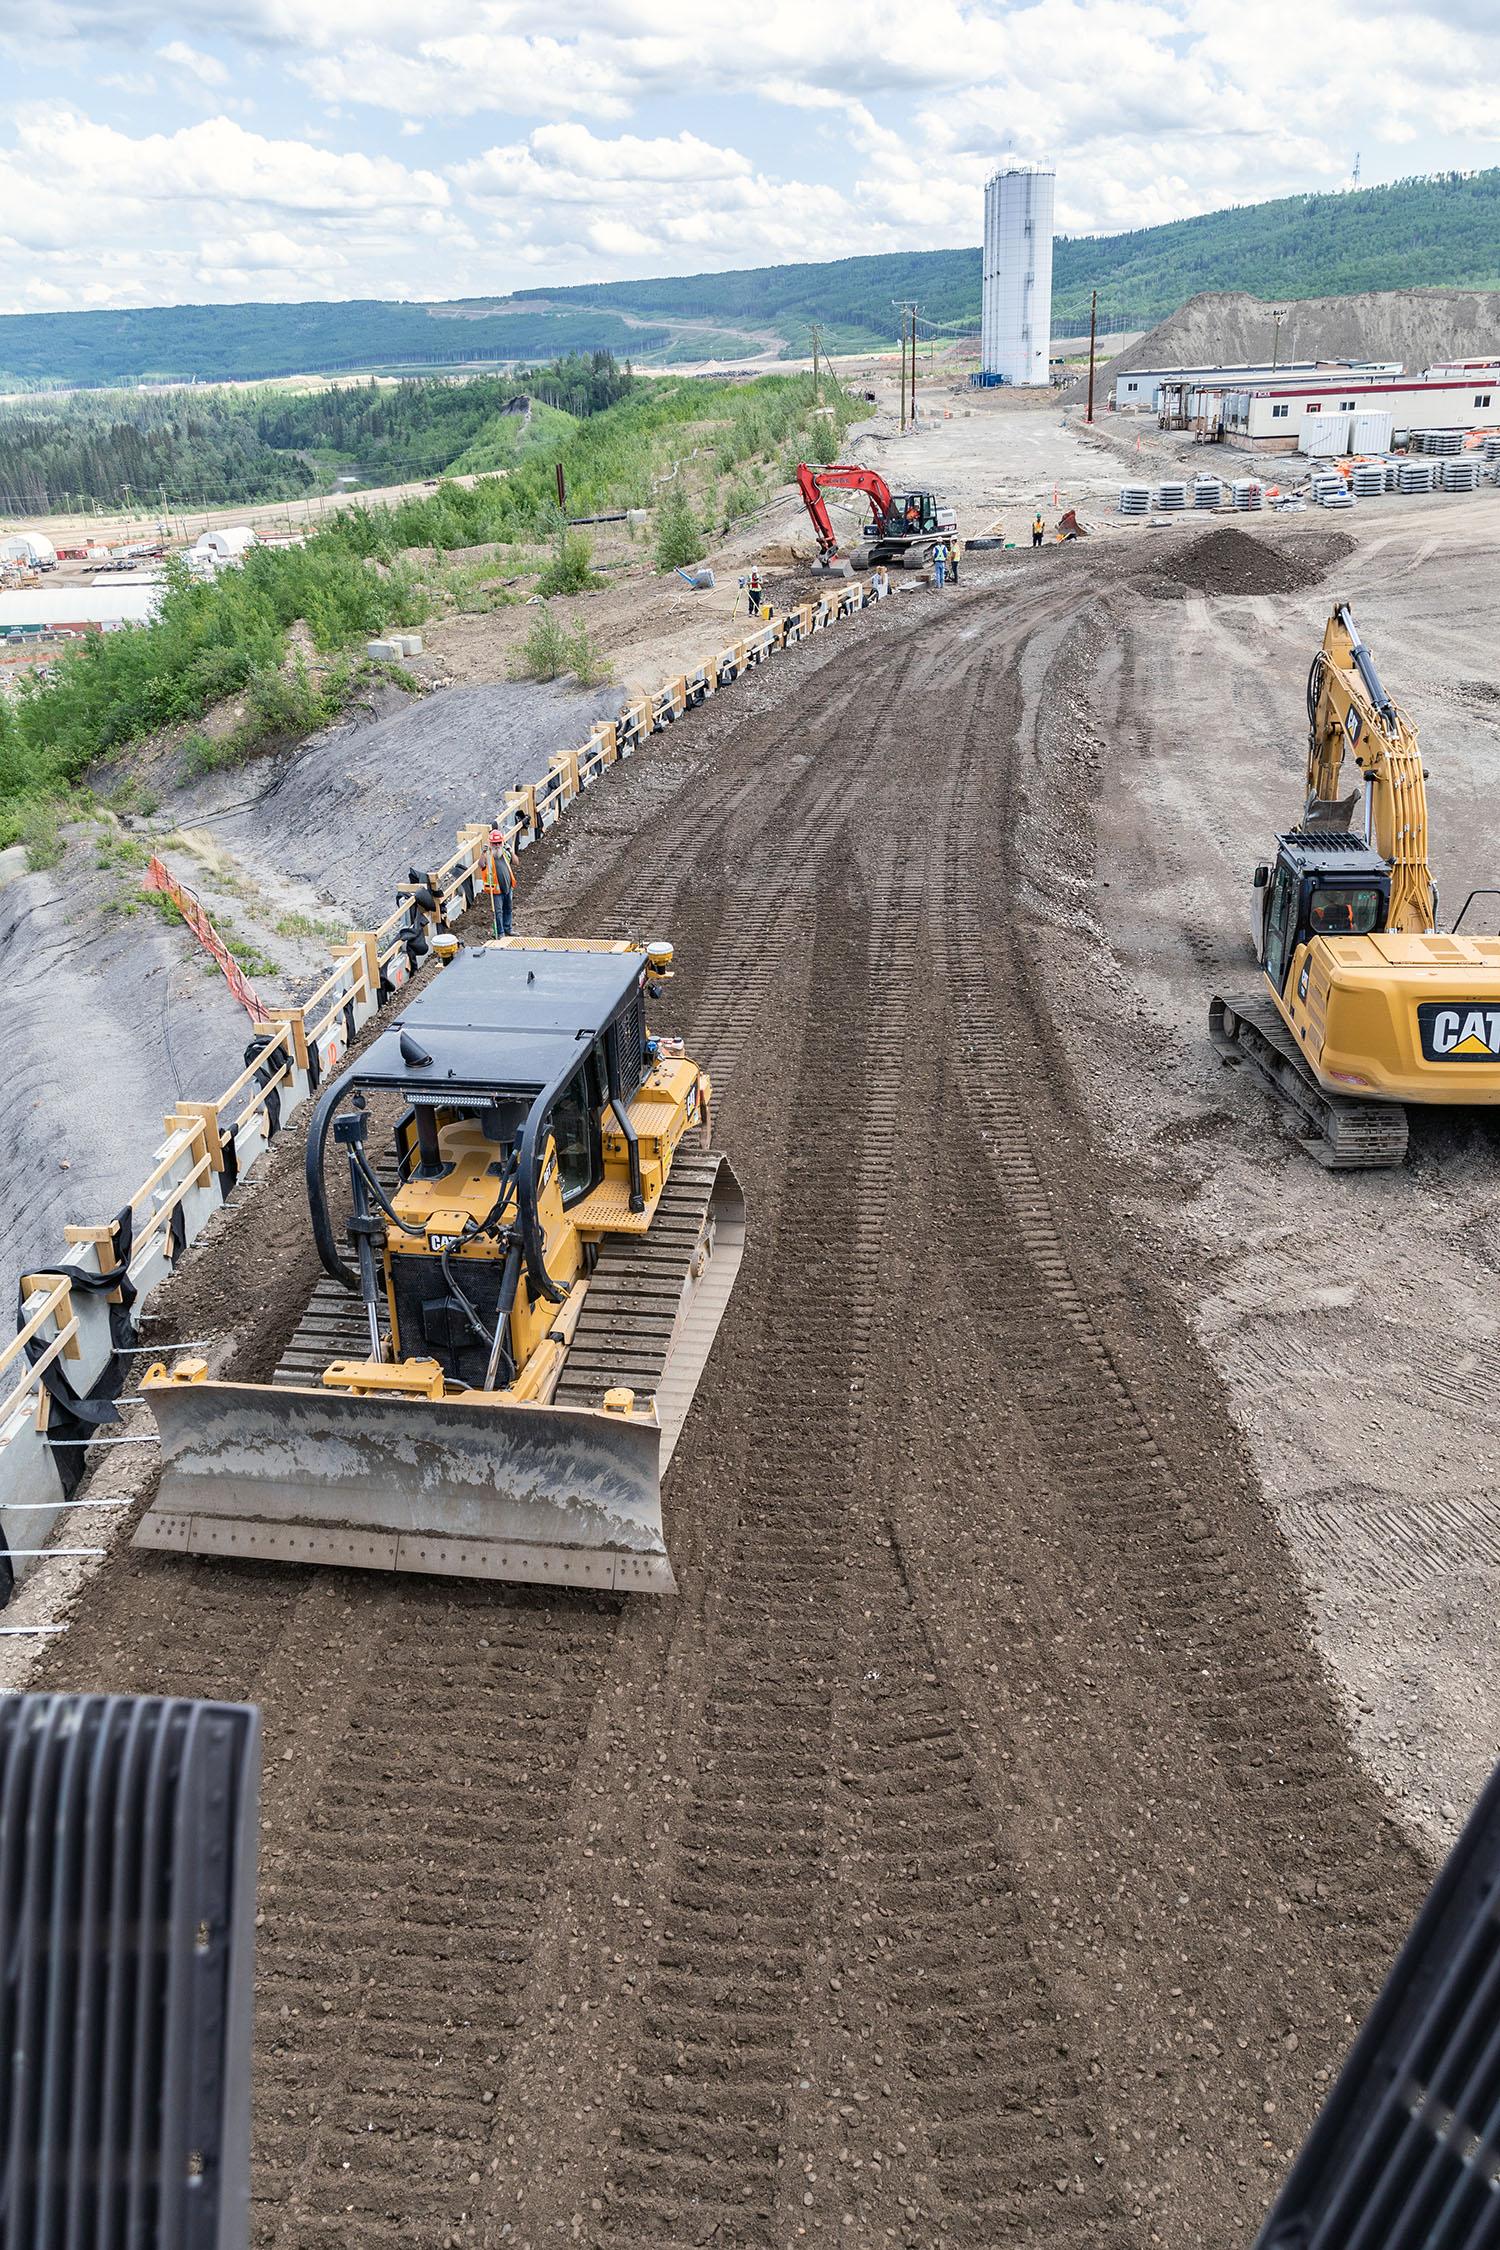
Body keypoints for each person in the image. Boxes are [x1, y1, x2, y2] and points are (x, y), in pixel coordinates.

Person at [485, 824, 516, 937]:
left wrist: (511, 851)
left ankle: (508, 928)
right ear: (490, 844)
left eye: (499, 843)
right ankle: (500, 932)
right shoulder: (488, 856)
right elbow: (481, 865)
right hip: (496, 890)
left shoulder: (505, 853)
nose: (497, 845)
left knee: (508, 908)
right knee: (498, 912)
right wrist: (484, 853)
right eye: (494, 843)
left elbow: (516, 862)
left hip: (508, 887)